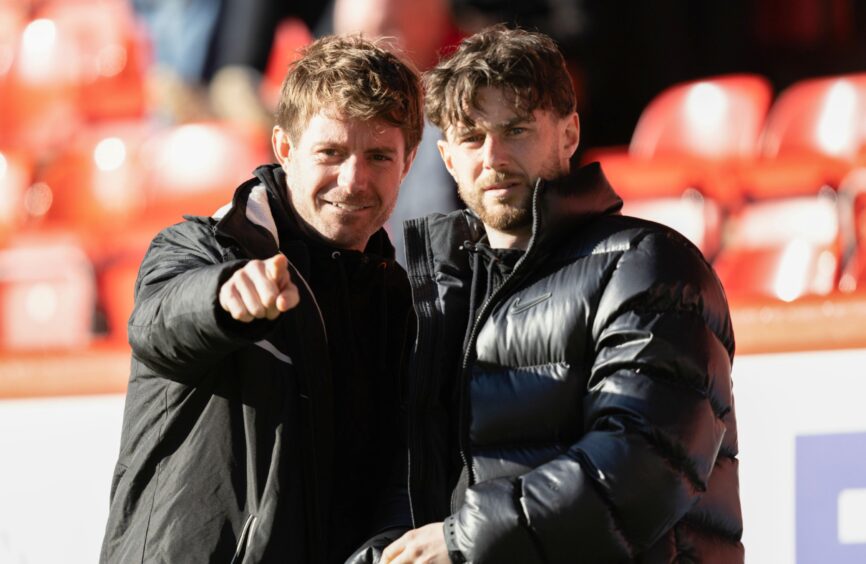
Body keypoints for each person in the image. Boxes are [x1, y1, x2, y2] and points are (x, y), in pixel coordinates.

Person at [383, 25, 743, 563]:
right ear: (448, 157)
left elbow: (644, 464)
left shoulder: (648, 265)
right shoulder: (432, 291)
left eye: (517, 129)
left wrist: (465, 540)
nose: (494, 156)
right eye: (472, 137)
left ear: (569, 135)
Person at [100, 34, 423, 563]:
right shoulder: (202, 247)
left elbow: (399, 476)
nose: (354, 178)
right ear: (285, 149)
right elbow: (157, 325)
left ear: (407, 163)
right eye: (331, 152)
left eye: (379, 155)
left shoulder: (400, 305)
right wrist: (224, 301)